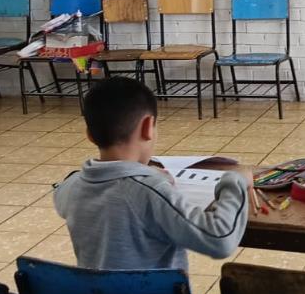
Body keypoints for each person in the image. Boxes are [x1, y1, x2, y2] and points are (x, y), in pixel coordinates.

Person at [54, 76, 250, 271]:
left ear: (89, 134)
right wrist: (236, 181)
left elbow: (61, 192)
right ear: (148, 126)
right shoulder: (150, 192)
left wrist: (148, 175)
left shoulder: (72, 187)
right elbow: (219, 239)